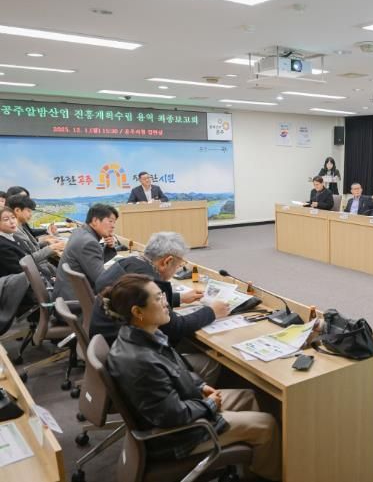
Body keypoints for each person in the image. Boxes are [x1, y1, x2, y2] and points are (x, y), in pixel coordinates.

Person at [104, 274, 281, 480]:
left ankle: (250, 467)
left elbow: (175, 370)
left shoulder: (143, 335)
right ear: (137, 312)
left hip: (184, 406)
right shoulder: (140, 361)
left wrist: (200, 386)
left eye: (163, 296)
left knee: (248, 397)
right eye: (158, 299)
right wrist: (209, 405)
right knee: (266, 425)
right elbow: (171, 415)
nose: (166, 303)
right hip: (176, 436)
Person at [89, 232, 226, 384]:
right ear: (167, 261)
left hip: (113, 343)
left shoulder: (130, 262)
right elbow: (174, 328)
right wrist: (212, 312)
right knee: (211, 360)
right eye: (179, 265)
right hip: (132, 360)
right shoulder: (149, 280)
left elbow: (134, 298)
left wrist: (179, 298)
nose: (177, 270)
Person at [53, 204, 118, 301]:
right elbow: (102, 280)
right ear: (95, 221)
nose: (113, 226)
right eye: (110, 221)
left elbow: (90, 263)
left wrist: (109, 247)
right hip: (77, 302)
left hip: (66, 296)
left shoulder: (79, 232)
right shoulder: (89, 242)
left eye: (114, 222)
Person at [6, 195, 63, 278]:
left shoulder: (21, 226)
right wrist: (51, 248)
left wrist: (46, 242)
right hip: (40, 271)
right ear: (17, 210)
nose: (31, 215)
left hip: (43, 266)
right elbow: (27, 259)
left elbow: (29, 248)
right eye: (28, 211)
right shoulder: (13, 231)